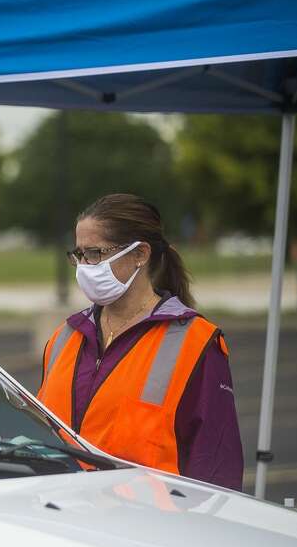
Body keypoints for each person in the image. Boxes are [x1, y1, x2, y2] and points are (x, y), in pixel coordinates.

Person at [36, 193, 242, 489]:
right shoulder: (64, 337)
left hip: (147, 527)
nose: (84, 267)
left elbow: (217, 466)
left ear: (140, 254)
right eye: (79, 255)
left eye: (95, 254)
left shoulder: (195, 342)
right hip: (64, 520)